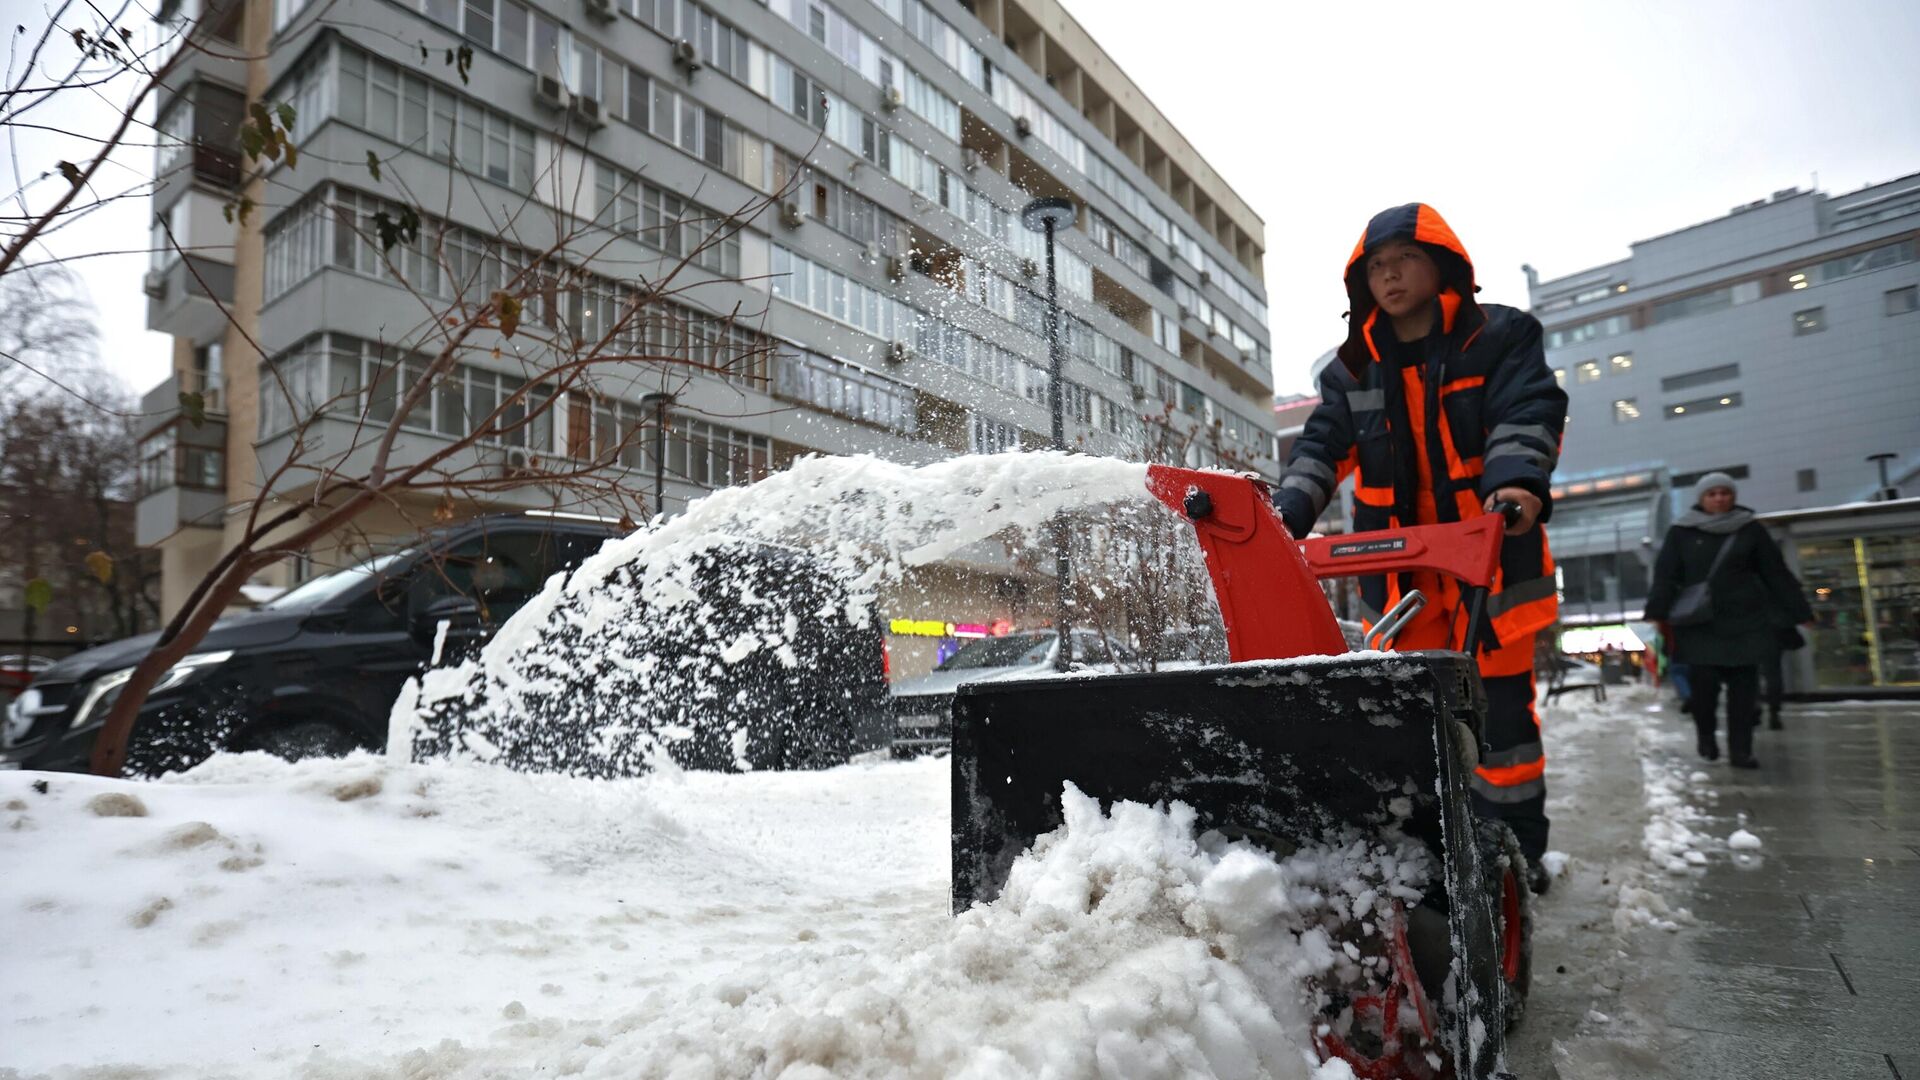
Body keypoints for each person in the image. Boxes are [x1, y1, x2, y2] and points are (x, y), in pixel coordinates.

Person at [1274, 203, 1565, 893]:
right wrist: (1286, 514)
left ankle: (1516, 854)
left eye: (1402, 258)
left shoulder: (1500, 339)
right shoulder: (1353, 371)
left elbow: (1526, 413)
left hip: (1489, 561)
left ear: (1441, 265)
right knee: (1411, 721)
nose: (1389, 274)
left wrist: (1518, 487)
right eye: (1375, 267)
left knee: (1502, 724)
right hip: (1402, 578)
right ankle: (1431, 853)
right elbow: (1322, 447)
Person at [1644, 473, 1813, 768]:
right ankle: (1706, 736)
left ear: (1733, 496)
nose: (1720, 498)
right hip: (1699, 623)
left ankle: (1741, 751)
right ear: (1701, 498)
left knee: (1744, 692)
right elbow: (1666, 576)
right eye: (1713, 494)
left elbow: (1776, 573)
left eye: (1725, 493)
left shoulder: (1750, 530)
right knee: (1704, 691)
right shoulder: (1681, 532)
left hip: (1746, 620)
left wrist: (1801, 612)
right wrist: (1658, 614)